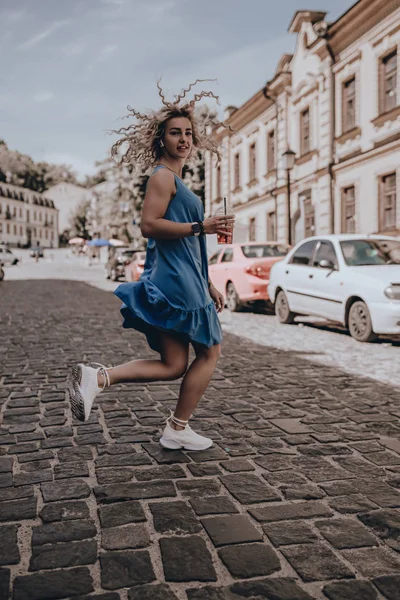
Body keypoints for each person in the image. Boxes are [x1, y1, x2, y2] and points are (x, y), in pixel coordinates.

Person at [70, 80, 235, 451]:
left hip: (185, 278)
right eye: (175, 132)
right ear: (161, 139)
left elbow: (191, 245)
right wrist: (201, 225)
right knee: (210, 352)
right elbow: (150, 226)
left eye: (189, 133)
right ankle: (177, 427)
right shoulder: (162, 177)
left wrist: (207, 281)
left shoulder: (177, 180)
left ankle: (98, 378)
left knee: (175, 363)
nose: (184, 139)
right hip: (175, 281)